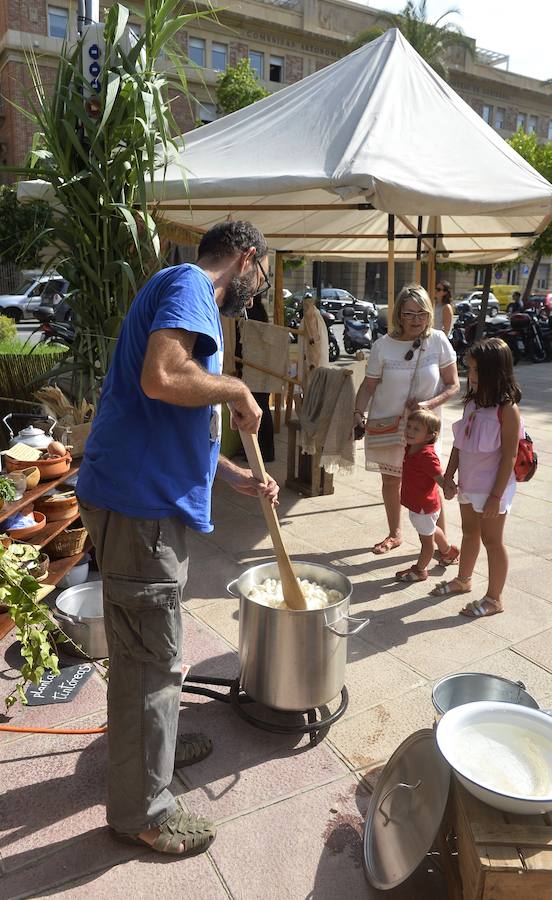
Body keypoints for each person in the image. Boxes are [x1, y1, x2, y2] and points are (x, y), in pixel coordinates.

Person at [76, 221, 280, 857]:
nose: (258, 289)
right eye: (262, 277)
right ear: (246, 259)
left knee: (142, 651)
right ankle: (143, 811)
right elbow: (162, 377)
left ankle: (151, 751)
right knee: (151, 661)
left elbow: (172, 416)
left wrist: (234, 475)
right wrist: (238, 387)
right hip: (140, 510)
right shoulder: (193, 283)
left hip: (136, 499)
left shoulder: (181, 292)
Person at [353, 284, 459, 555]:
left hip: (424, 430)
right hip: (387, 425)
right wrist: (357, 414)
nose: (416, 320)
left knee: (430, 481)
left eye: (422, 313)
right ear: (399, 314)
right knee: (391, 480)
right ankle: (395, 534)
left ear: (429, 314)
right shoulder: (383, 346)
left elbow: (453, 385)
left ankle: (441, 542)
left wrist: (428, 404)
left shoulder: (437, 341)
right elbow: (368, 386)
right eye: (409, 313)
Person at [431, 337, 521, 618]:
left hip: (493, 488)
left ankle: (494, 598)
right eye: (470, 368)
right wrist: (449, 475)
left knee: (492, 541)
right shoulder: (472, 404)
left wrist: (496, 496)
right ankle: (463, 580)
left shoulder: (507, 410)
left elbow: (509, 457)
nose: (470, 375)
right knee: (470, 532)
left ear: (496, 372)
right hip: (469, 483)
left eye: (477, 370)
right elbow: (460, 444)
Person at [395, 409, 459, 582]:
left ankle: (420, 570)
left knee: (426, 542)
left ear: (430, 435)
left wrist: (448, 488)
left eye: (416, 429)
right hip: (421, 505)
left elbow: (440, 477)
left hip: (423, 507)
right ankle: (448, 552)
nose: (410, 431)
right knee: (431, 530)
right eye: (409, 426)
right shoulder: (411, 447)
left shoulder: (427, 455)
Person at [240, 293, 275, 462]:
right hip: (263, 367)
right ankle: (264, 452)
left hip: (255, 368)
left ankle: (261, 452)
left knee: (257, 409)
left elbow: (244, 341)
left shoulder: (251, 315)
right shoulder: (261, 313)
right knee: (262, 408)